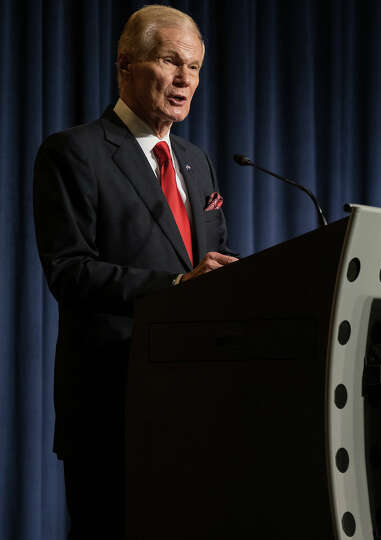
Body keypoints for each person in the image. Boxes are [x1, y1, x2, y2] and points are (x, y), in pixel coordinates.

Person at [33, 6, 237, 538]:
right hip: (111, 406)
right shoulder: (74, 153)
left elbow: (211, 258)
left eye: (193, 67)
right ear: (126, 65)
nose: (185, 80)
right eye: (170, 61)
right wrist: (174, 287)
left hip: (192, 406)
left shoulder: (197, 160)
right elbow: (69, 271)